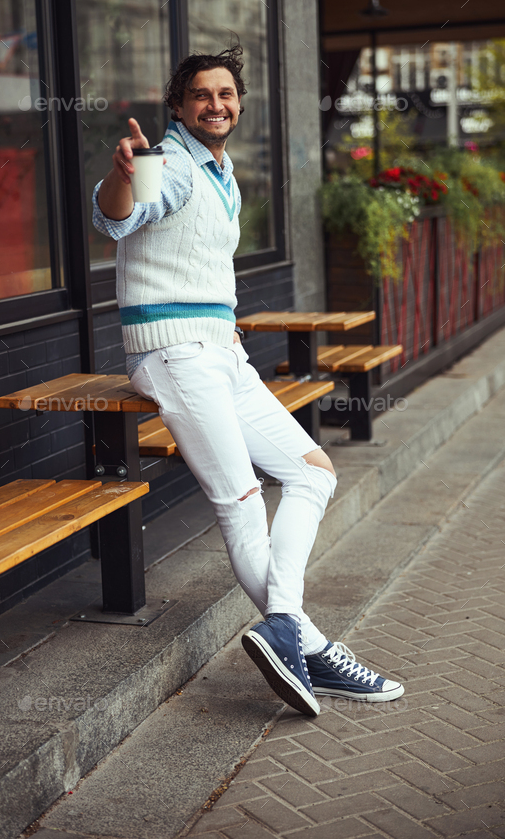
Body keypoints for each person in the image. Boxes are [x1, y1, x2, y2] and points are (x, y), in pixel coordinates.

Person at [93, 43, 404, 717]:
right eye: (201, 94)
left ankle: (287, 627)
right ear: (177, 104)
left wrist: (223, 321)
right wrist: (125, 175)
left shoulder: (220, 173)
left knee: (314, 470)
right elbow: (124, 215)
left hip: (218, 351)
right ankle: (312, 647)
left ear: (238, 103)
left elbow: (192, 256)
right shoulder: (169, 162)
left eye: (226, 94)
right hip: (174, 352)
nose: (216, 104)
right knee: (240, 501)